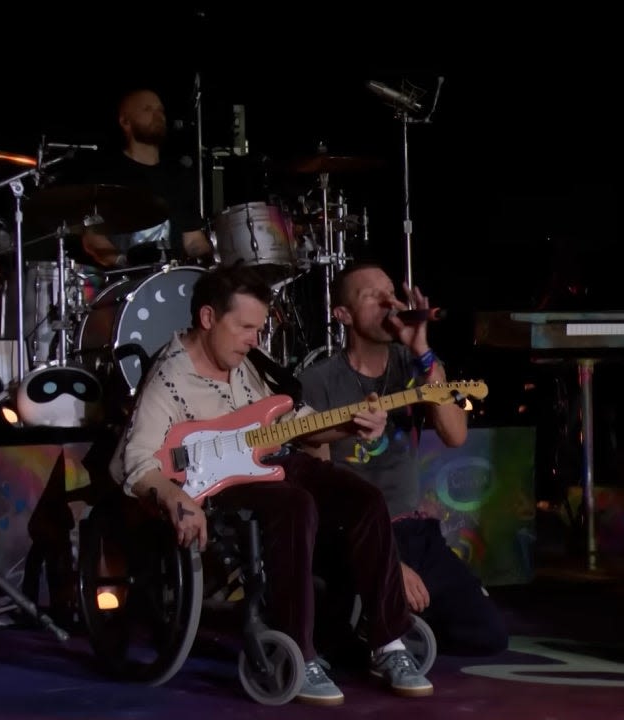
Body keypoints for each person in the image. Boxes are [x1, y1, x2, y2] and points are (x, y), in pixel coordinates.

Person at [109, 264, 433, 706]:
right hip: (221, 482)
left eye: (259, 328)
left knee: (364, 498)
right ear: (208, 318)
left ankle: (388, 641)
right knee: (293, 504)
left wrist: (350, 426)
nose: (254, 339)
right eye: (244, 327)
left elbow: (291, 424)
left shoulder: (246, 363)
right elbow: (134, 460)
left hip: (271, 460)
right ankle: (299, 651)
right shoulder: (168, 379)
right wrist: (172, 495)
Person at [296, 262, 509, 657]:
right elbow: (322, 484)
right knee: (336, 642)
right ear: (342, 314)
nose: (388, 302)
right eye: (371, 296)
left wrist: (422, 351)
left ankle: (406, 625)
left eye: (390, 291)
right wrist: (388, 564)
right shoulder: (318, 382)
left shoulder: (420, 367)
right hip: (353, 533)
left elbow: (455, 432)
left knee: (489, 636)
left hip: (415, 532)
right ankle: (382, 625)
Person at [58, 86, 213, 269]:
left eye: (160, 110)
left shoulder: (178, 175)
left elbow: (193, 240)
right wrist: (123, 263)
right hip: (123, 285)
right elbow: (93, 239)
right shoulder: (105, 175)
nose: (158, 115)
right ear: (125, 122)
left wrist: (207, 264)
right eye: (147, 109)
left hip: (173, 281)